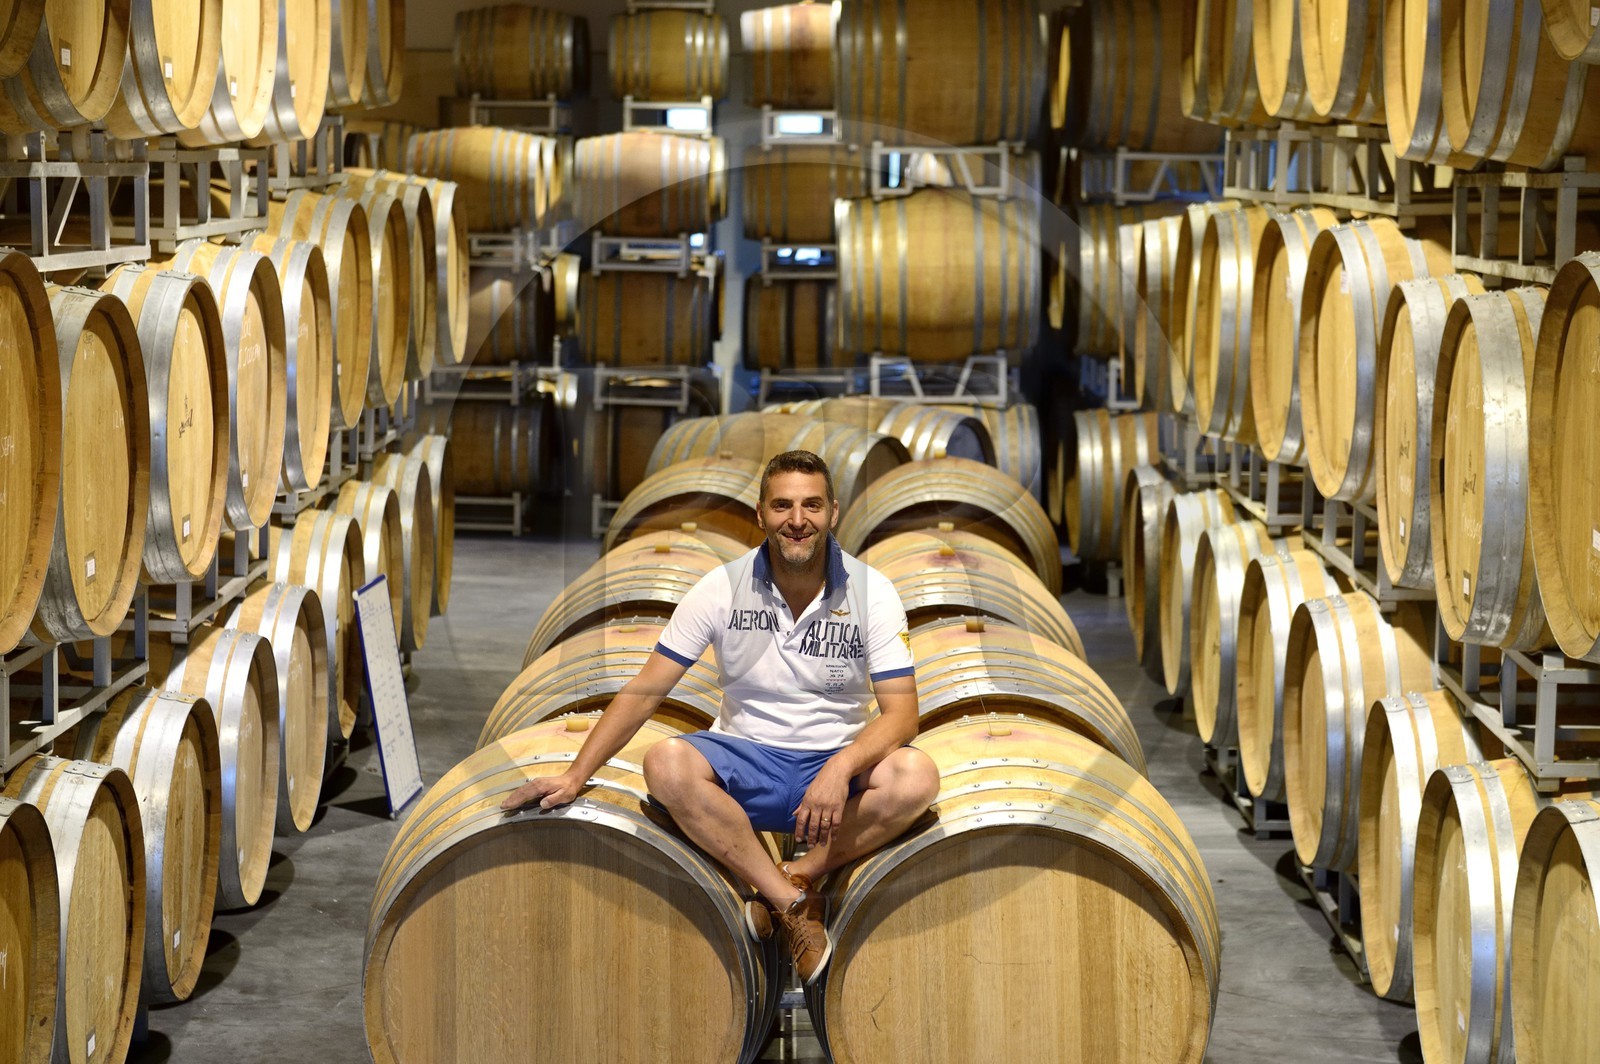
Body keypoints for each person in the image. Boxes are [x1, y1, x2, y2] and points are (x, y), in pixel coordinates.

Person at [502, 449, 940, 983]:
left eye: (811, 506)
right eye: (782, 506)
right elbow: (645, 691)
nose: (797, 521)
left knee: (917, 776)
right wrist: (576, 774)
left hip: (834, 769)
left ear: (833, 512)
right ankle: (792, 905)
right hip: (747, 760)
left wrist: (840, 768)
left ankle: (796, 874)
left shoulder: (874, 592)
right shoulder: (720, 587)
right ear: (760, 513)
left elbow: (902, 716)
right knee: (665, 764)